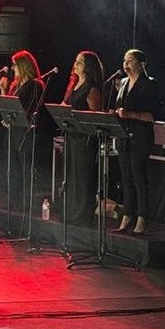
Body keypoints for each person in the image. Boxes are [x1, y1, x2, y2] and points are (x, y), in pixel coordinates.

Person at [110, 49, 161, 236]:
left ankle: (142, 217)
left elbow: (153, 115)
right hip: (124, 136)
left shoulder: (150, 84)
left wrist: (131, 114)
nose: (126, 64)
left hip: (140, 136)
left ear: (142, 64)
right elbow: (119, 107)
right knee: (126, 178)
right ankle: (127, 215)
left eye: (130, 60)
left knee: (139, 178)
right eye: (125, 60)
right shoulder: (123, 82)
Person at [0, 50, 46, 213]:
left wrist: (14, 118)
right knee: (12, 168)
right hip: (13, 132)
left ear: (23, 66)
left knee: (25, 168)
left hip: (26, 133)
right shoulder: (15, 85)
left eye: (15, 65)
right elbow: (8, 107)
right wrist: (3, 90)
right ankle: (13, 200)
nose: (13, 68)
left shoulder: (35, 85)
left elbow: (30, 110)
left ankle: (27, 204)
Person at [61, 51, 105, 224]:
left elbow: (95, 116)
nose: (76, 64)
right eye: (76, 61)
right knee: (72, 176)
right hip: (72, 136)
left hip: (85, 139)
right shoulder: (74, 84)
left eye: (80, 62)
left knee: (83, 177)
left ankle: (83, 215)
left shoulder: (91, 88)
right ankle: (72, 213)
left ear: (88, 66)